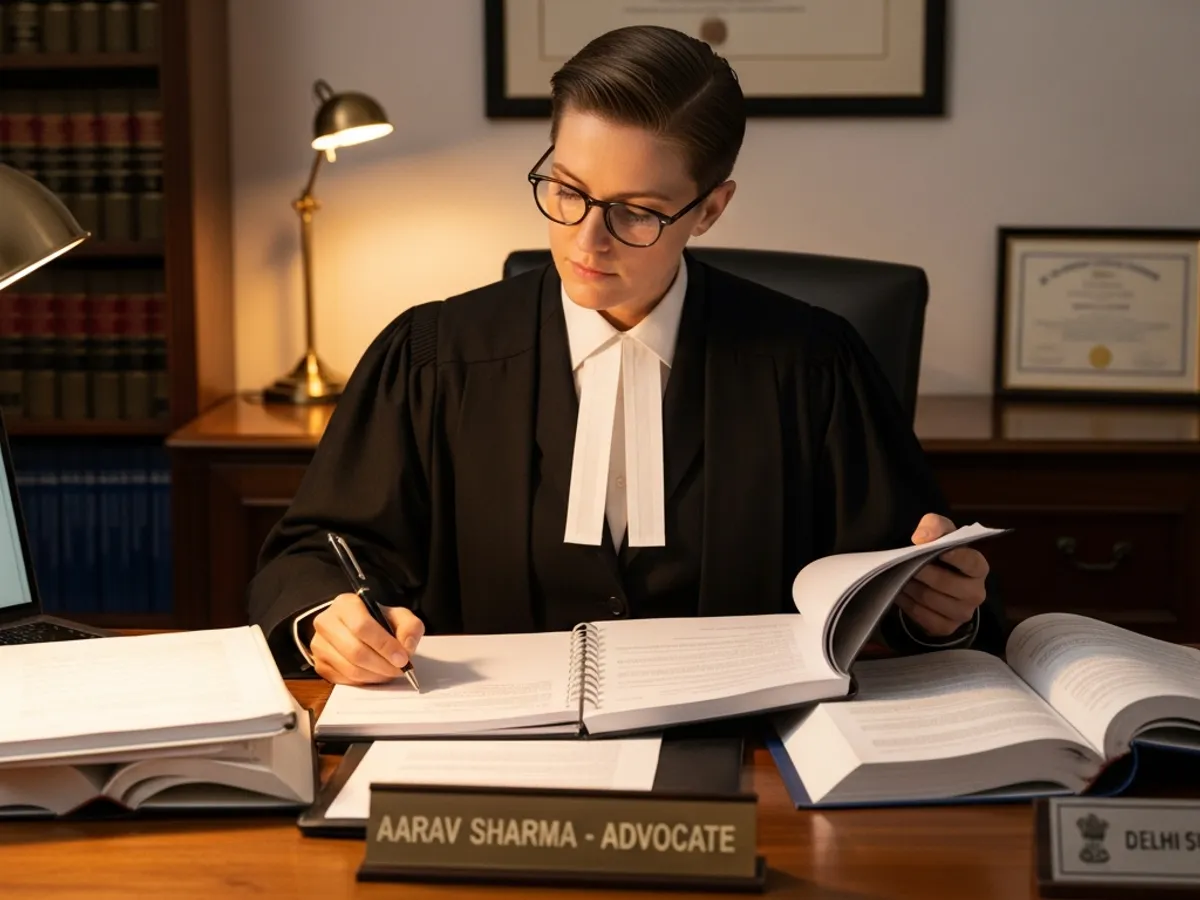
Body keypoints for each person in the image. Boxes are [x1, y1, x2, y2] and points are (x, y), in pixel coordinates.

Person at [247, 24, 1005, 685]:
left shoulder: (812, 366)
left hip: (752, 758)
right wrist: (330, 622)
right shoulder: (431, 358)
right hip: (486, 759)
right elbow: (312, 555)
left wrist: (940, 610)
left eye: (636, 213)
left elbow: (908, 585)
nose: (586, 240)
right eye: (567, 189)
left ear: (710, 208)